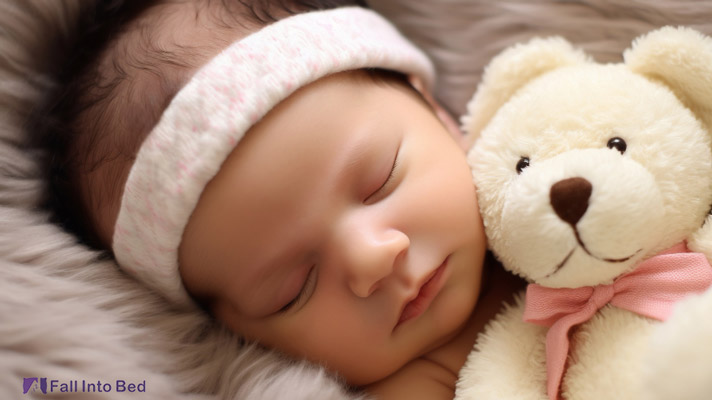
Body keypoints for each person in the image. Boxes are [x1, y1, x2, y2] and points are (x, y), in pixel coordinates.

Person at [32, 0, 524, 398]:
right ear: (239, 336)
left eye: (381, 180)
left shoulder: (562, 170)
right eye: (293, 289)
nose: (373, 258)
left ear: (434, 111)